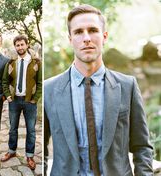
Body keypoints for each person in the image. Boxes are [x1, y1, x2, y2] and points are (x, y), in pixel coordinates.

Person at [44, 4, 153, 176]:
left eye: (93, 30)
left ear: (104, 36)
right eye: (78, 32)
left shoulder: (127, 86)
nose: (86, 38)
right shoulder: (49, 89)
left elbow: (142, 147)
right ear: (70, 39)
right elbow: (41, 150)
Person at [1, 35, 42, 170]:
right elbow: (5, 81)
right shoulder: (11, 63)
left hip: (29, 101)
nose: (20, 47)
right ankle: (11, 151)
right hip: (14, 101)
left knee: (31, 130)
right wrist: (8, 96)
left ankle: (29, 155)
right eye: (17, 45)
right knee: (13, 128)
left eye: (22, 45)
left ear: (27, 45)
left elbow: (40, 83)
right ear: (15, 47)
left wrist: (35, 99)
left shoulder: (36, 62)